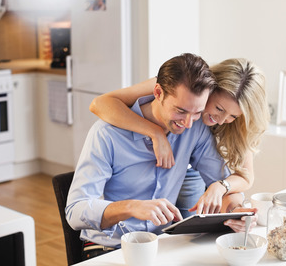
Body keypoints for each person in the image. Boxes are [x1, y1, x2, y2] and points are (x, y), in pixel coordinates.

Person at [66, 54, 257, 259]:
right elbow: (75, 212)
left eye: (196, 113)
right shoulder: (106, 134)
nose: (188, 123)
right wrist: (131, 207)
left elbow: (222, 182)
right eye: (180, 111)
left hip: (162, 245)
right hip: (109, 248)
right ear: (158, 92)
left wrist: (237, 211)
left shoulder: (196, 130)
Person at [90, 58, 270, 220]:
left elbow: (244, 178)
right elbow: (100, 104)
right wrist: (156, 133)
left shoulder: (238, 124)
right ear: (209, 89)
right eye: (219, 108)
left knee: (188, 223)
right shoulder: (178, 86)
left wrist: (221, 188)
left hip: (197, 162)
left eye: (233, 116)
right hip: (179, 158)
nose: (222, 120)